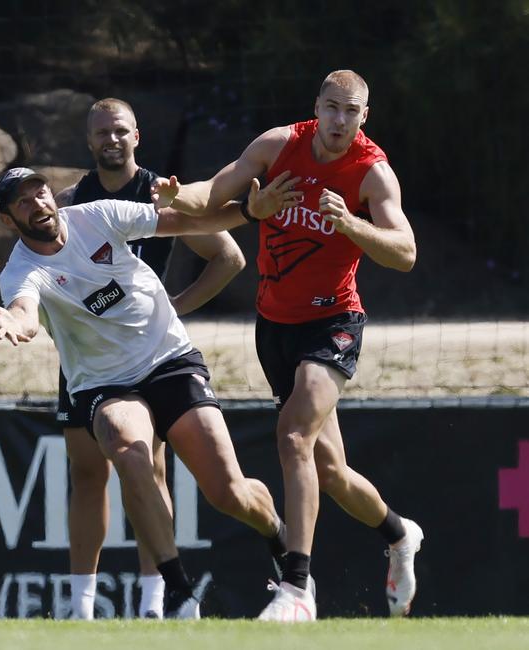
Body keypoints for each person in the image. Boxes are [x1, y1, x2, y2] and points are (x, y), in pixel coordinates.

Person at [153, 70, 424, 621]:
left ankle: (296, 589)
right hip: (274, 326)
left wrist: (351, 224)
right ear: (316, 107)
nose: (339, 121)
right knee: (330, 473)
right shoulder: (279, 145)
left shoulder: (371, 173)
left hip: (334, 323)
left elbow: (405, 252)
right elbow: (216, 192)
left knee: (294, 435)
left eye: (351, 112)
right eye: (331, 108)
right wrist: (180, 194)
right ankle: (399, 534)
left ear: (363, 117)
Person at [0, 165, 299, 619]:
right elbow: (25, 308)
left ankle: (277, 534)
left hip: (169, 359)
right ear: (9, 220)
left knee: (227, 493)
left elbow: (185, 222)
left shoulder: (98, 215)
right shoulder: (21, 270)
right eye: (24, 202)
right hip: (103, 383)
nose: (39, 205)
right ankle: (178, 590)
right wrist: (17, 322)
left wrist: (250, 211)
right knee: (128, 450)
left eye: (41, 193)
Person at [53, 98, 246, 620]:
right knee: (87, 475)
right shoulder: (71, 201)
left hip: (147, 356)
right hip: (88, 361)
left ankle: (155, 601)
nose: (110, 140)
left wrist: (176, 308)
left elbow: (229, 256)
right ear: (89, 141)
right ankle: (80, 607)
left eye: (119, 131)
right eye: (100, 133)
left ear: (137, 135)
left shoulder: (161, 194)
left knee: (149, 466)